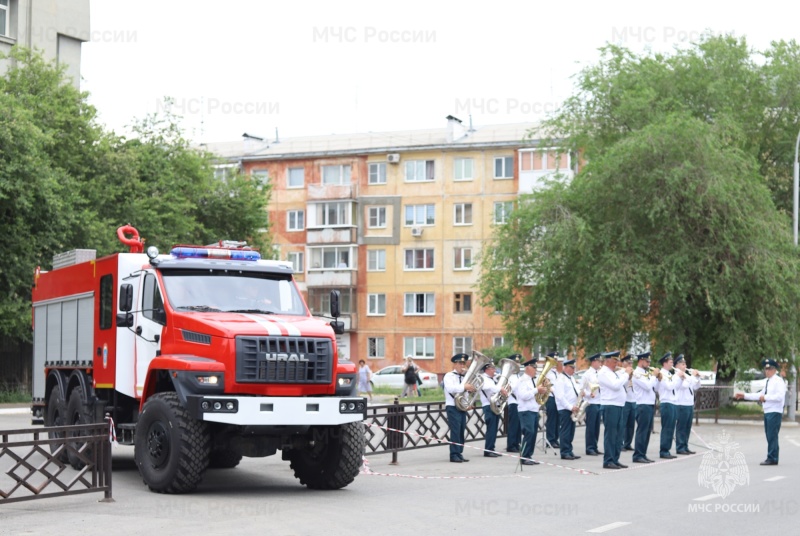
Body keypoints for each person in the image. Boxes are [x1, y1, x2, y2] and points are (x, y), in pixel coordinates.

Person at [735, 358, 787, 465]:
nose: (766, 371)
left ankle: (772, 458)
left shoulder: (778, 381)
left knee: (772, 435)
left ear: (774, 370)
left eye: (769, 369)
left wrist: (766, 397)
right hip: (768, 411)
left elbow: (780, 397)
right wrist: (744, 395)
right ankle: (772, 456)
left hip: (775, 411)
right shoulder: (768, 381)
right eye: (765, 369)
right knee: (769, 435)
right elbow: (759, 395)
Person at [597, 350, 631, 469]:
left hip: (619, 404)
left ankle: (615, 459)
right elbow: (615, 386)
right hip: (610, 405)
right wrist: (626, 374)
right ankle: (608, 460)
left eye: (617, 360)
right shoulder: (603, 373)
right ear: (607, 361)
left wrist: (627, 376)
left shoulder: (613, 372)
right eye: (614, 360)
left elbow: (622, 385)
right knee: (611, 434)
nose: (616, 363)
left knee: (619, 434)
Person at [513, 357, 547, 465]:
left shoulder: (533, 380)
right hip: (525, 410)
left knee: (533, 434)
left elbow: (534, 394)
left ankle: (529, 455)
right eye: (534, 367)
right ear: (528, 368)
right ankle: (524, 456)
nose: (536, 369)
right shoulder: (522, 380)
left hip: (533, 409)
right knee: (529, 433)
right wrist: (537, 390)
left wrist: (542, 391)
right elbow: (523, 396)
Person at [443, 353, 476, 463]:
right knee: (455, 431)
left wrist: (467, 403)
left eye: (464, 363)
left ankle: (459, 453)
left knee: (462, 430)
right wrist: (464, 386)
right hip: (452, 406)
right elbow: (451, 388)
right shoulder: (449, 376)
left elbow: (465, 393)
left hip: (461, 407)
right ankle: (453, 454)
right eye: (460, 363)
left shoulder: (466, 377)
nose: (462, 365)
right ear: (455, 364)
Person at [631, 352, 659, 463]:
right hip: (642, 404)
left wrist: (658, 378)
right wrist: (653, 376)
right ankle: (638, 455)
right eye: (647, 361)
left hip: (649, 404)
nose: (648, 363)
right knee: (642, 431)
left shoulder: (647, 373)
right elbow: (647, 386)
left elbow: (654, 388)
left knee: (647, 431)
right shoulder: (637, 373)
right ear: (640, 361)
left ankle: (643, 453)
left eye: (649, 362)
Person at [554, 357, 581, 461]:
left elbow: (576, 391)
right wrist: (570, 407)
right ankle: (565, 452)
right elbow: (560, 397)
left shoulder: (571, 378)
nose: (573, 370)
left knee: (571, 431)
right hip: (565, 408)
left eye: (574, 367)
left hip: (572, 408)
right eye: (571, 367)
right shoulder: (561, 379)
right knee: (565, 431)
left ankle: (569, 450)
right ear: (565, 367)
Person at [657, 352, 683, 459]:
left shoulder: (670, 374)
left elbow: (675, 387)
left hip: (672, 402)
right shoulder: (662, 374)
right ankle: (664, 450)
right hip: (666, 402)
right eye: (670, 361)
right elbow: (669, 386)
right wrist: (677, 376)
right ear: (665, 363)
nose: (672, 363)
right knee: (667, 427)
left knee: (671, 427)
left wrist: (681, 379)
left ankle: (667, 449)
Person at [674, 354, 700, 455]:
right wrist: (693, 377)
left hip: (689, 404)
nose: (685, 366)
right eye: (682, 364)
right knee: (681, 427)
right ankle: (680, 447)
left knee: (687, 427)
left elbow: (696, 387)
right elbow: (684, 386)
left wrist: (697, 377)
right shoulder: (676, 376)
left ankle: (685, 445)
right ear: (677, 366)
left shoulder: (688, 376)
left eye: (685, 364)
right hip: (681, 404)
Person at [478, 361, 504, 457]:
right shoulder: (482, 378)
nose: (494, 370)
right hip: (488, 405)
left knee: (494, 428)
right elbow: (487, 387)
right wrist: (500, 388)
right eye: (492, 369)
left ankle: (492, 448)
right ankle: (488, 450)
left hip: (495, 404)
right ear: (487, 369)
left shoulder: (494, 379)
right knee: (491, 428)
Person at [582, 353, 604, 456]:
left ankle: (594, 446)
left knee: (596, 427)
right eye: (598, 361)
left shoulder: (600, 373)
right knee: (591, 427)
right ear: (593, 362)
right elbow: (581, 389)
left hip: (599, 402)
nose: (600, 363)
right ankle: (589, 447)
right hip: (591, 402)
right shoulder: (587, 374)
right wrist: (588, 394)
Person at [505, 354, 523, 453]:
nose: (518, 364)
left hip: (520, 403)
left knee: (519, 426)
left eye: (518, 362)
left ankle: (517, 443)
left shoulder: (518, 376)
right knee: (513, 425)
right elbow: (511, 389)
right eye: (516, 362)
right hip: (513, 402)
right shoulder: (509, 376)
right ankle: (511, 445)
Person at [544, 352, 561, 448]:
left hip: (557, 398)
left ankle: (555, 438)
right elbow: (549, 386)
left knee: (557, 420)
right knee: (552, 419)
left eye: (557, 360)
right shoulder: (547, 372)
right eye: (554, 359)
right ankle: (550, 440)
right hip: (550, 397)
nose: (556, 361)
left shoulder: (556, 373)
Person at [620, 354, 637, 452]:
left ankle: (628, 443)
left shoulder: (633, 373)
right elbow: (622, 385)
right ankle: (621, 443)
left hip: (633, 399)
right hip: (625, 400)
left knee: (631, 424)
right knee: (623, 423)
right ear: (623, 363)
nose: (631, 365)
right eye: (628, 363)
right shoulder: (621, 373)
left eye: (631, 363)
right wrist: (628, 376)